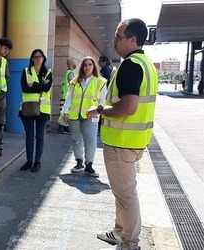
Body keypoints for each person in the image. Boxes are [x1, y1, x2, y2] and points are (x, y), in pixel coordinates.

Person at [87, 18, 158, 250]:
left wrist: (99, 110)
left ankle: (130, 244)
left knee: (126, 196)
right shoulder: (145, 64)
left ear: (133, 40)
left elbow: (128, 107)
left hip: (122, 142)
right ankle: (119, 232)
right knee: (122, 193)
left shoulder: (131, 66)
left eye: (118, 37)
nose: (114, 40)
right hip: (134, 141)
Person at [63, 56, 107, 177]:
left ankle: (89, 165)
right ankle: (79, 162)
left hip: (90, 116)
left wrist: (97, 111)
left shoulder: (100, 82)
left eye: (90, 65)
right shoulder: (75, 81)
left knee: (91, 140)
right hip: (75, 114)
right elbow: (69, 97)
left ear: (94, 67)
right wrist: (66, 111)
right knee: (76, 139)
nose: (87, 67)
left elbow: (103, 101)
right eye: (85, 65)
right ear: (82, 67)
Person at [18, 49, 53, 173]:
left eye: (40, 56)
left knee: (39, 137)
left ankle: (37, 162)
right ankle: (29, 161)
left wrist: (34, 85)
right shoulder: (26, 71)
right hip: (27, 108)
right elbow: (24, 88)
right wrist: (40, 86)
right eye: (35, 57)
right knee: (29, 136)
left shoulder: (48, 72)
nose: (38, 59)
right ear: (32, 59)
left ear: (43, 58)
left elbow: (47, 88)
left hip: (42, 109)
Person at [59, 58, 76, 134]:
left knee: (62, 112)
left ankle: (61, 128)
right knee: (65, 112)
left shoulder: (67, 72)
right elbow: (72, 84)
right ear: (72, 64)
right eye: (75, 62)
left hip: (63, 95)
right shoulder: (71, 73)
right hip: (67, 96)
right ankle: (65, 127)